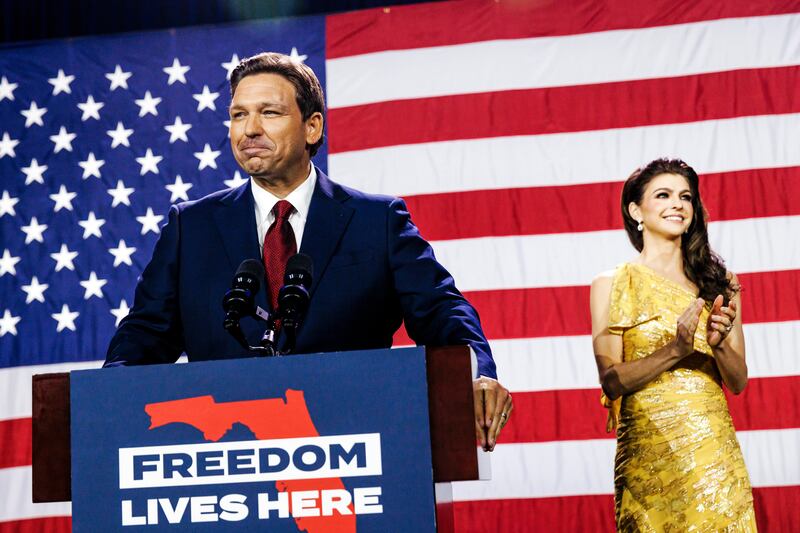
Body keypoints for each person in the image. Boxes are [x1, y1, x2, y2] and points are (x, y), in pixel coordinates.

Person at [104, 52, 512, 451]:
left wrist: (473, 372)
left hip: (355, 446)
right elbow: (145, 335)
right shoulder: (190, 227)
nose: (249, 130)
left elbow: (441, 310)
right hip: (227, 453)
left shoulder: (377, 221)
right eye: (238, 115)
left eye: (270, 113)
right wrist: (103, 401)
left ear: (312, 127)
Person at [590, 158, 756, 530]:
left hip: (713, 456)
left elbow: (739, 381)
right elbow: (612, 381)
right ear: (636, 210)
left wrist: (719, 345)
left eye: (685, 197)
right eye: (663, 195)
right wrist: (675, 350)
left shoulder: (722, 282)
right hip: (650, 457)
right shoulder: (611, 283)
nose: (677, 204)